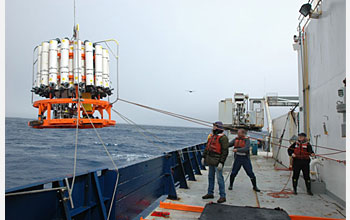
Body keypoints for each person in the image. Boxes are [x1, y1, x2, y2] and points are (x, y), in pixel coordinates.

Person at [201, 121, 229, 203]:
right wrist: (203, 156)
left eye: (214, 126)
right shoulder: (212, 136)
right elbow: (207, 148)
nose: (213, 128)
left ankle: (222, 196)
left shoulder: (223, 138)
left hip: (217, 161)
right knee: (210, 177)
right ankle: (210, 193)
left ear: (218, 128)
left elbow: (225, 151)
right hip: (210, 160)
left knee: (219, 178)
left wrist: (221, 162)